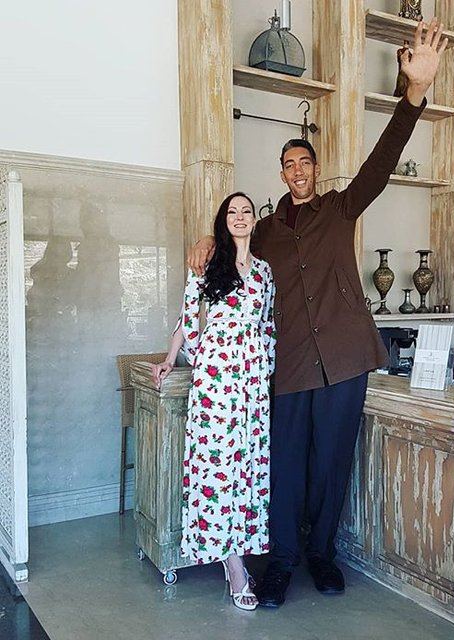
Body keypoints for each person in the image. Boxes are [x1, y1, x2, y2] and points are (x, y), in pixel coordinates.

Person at [188, 19, 447, 607]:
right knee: (284, 466)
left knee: (331, 463)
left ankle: (323, 555)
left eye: (305, 161)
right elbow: (228, 244)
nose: (298, 170)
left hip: (346, 359)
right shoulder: (264, 232)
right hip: (289, 364)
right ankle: (281, 562)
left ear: (315, 168)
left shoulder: (339, 207)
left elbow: (381, 162)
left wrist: (414, 94)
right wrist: (205, 239)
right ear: (281, 173)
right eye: (290, 164)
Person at [152, 192, 276, 611]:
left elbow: (268, 326)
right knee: (218, 464)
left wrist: (267, 372)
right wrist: (169, 359)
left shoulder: (264, 272)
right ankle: (234, 564)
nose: (239, 218)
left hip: (253, 380)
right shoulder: (207, 265)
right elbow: (187, 318)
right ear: (223, 221)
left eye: (246, 212)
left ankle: (238, 548)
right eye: (232, 212)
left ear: (254, 220)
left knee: (248, 466)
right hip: (217, 377)